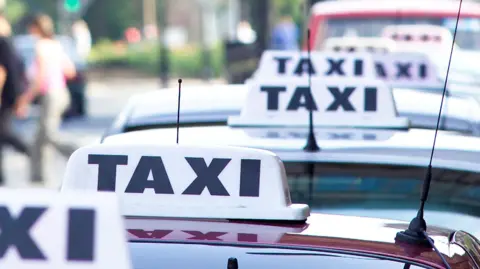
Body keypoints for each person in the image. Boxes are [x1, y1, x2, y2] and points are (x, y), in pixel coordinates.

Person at [15, 13, 77, 184]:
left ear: (36, 28)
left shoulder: (41, 46)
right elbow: (70, 70)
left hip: (50, 95)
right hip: (61, 93)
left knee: (49, 134)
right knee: (39, 138)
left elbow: (40, 77)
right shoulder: (55, 45)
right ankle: (37, 177)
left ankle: (78, 154)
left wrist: (26, 98)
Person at [0, 14, 30, 185]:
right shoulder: (9, 43)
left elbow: (2, 73)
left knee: (4, 132)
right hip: (11, 95)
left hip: (5, 97)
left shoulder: (3, 43)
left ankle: (28, 150)